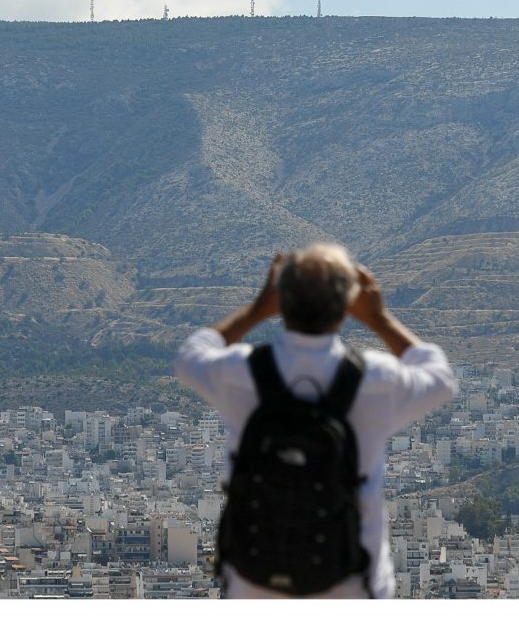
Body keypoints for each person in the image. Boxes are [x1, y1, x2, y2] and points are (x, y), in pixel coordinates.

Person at [176, 243, 457, 598]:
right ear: (345, 308)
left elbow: (191, 355)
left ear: (281, 300)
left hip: (253, 581)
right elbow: (440, 377)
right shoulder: (376, 380)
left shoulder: (240, 373)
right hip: (349, 583)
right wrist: (379, 319)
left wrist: (257, 310)